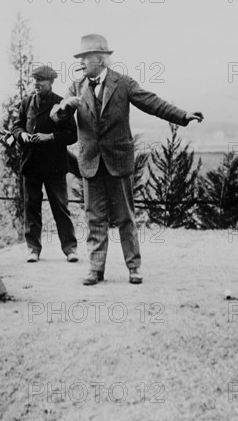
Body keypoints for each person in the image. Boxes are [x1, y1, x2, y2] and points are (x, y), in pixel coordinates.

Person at [51, 34, 204, 285]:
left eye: (85, 58)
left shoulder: (122, 84)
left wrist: (183, 115)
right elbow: (55, 116)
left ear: (100, 59)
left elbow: (152, 102)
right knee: (94, 218)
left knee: (125, 217)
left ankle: (134, 267)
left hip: (118, 162)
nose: (81, 63)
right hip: (90, 163)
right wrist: (66, 107)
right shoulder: (76, 87)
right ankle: (95, 269)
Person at [11, 65, 79, 262]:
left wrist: (50, 137)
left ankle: (70, 249)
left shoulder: (61, 104)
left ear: (51, 82)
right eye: (35, 80)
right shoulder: (26, 102)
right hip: (31, 164)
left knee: (60, 207)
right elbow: (17, 125)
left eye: (41, 80)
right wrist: (21, 134)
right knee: (31, 207)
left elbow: (72, 134)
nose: (37, 84)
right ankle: (33, 249)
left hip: (54, 165)